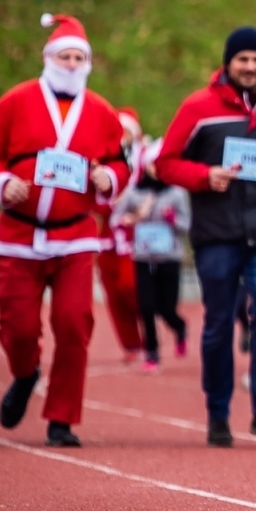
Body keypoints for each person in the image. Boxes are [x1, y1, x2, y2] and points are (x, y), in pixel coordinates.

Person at [0, 15, 133, 447]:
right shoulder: (16, 101)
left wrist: (111, 180)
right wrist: (3, 183)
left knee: (73, 322)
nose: (70, 62)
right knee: (18, 328)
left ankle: (61, 418)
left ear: (88, 63)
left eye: (78, 56)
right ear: (48, 58)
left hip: (75, 236)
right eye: (64, 55)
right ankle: (25, 374)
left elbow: (121, 161)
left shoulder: (101, 111)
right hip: (20, 234)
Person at [157, 26, 256, 447]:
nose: (251, 67)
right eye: (243, 60)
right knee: (218, 325)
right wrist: (205, 176)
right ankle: (218, 413)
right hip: (216, 232)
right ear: (228, 63)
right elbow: (164, 163)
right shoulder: (199, 107)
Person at [113, 139, 190, 372]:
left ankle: (179, 327)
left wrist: (171, 219)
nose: (156, 169)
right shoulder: (135, 193)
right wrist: (134, 216)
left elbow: (187, 224)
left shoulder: (176, 194)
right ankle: (152, 351)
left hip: (169, 256)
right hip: (143, 255)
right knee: (146, 305)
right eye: (152, 164)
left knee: (166, 307)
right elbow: (116, 218)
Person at [96, 106, 147, 361]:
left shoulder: (146, 158)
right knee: (112, 290)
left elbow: (159, 190)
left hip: (136, 235)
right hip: (107, 235)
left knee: (130, 286)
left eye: (126, 131)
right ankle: (130, 343)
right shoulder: (103, 160)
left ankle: (148, 329)